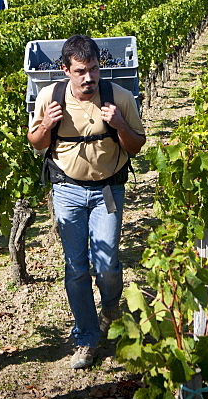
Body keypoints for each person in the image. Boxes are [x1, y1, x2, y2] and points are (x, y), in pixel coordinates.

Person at [28, 35, 146, 370]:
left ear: (100, 66)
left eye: (93, 69)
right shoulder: (50, 97)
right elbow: (35, 143)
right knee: (76, 268)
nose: (88, 77)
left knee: (107, 262)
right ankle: (86, 339)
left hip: (108, 190)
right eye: (80, 71)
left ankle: (111, 306)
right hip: (67, 191)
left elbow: (137, 145)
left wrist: (120, 124)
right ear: (65, 70)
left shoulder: (119, 97)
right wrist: (48, 124)